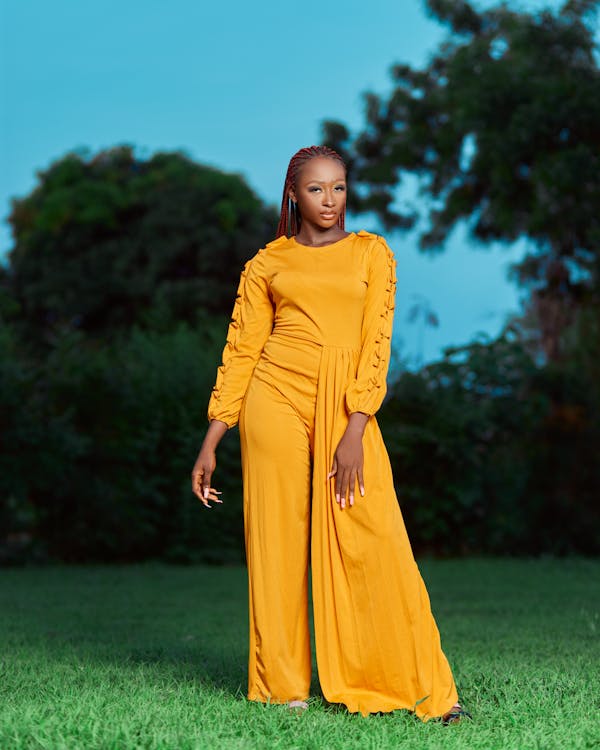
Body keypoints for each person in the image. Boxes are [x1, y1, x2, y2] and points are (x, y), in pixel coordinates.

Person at [191, 145, 470, 724]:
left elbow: (376, 342)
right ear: (293, 194)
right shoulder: (267, 264)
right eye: (316, 189)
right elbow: (242, 350)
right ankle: (280, 687)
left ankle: (418, 688)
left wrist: (356, 424)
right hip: (275, 395)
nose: (329, 201)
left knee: (373, 536)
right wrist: (214, 437)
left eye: (339, 188)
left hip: (346, 403)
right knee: (276, 540)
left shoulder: (372, 254)